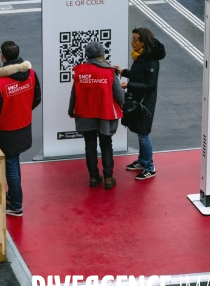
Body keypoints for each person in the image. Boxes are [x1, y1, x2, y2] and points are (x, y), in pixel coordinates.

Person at [0, 41, 41, 217]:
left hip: (6, 131)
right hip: (24, 126)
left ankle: (16, 205)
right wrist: (22, 111)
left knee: (11, 167)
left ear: (3, 56)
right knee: (14, 164)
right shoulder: (31, 74)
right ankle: (13, 196)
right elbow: (37, 98)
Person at [68, 42, 125, 190]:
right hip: (104, 114)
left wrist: (71, 110)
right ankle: (108, 178)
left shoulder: (79, 71)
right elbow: (120, 96)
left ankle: (93, 177)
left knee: (90, 145)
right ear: (102, 54)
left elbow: (74, 94)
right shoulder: (109, 72)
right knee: (106, 144)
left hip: (85, 114)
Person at [115, 28, 166, 180]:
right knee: (139, 130)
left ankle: (150, 167)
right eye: (133, 39)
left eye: (135, 40)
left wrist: (128, 85)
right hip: (137, 100)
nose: (132, 42)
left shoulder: (151, 61)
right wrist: (123, 72)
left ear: (143, 42)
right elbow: (138, 75)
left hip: (145, 103)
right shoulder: (141, 56)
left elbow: (150, 85)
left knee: (143, 133)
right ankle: (142, 160)